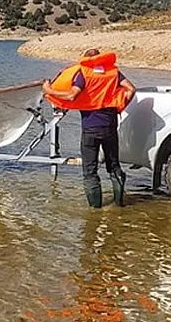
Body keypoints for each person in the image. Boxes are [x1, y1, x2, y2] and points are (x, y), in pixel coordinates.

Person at [41, 49, 136, 208]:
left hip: (90, 128)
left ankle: (95, 210)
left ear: (86, 60)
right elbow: (131, 89)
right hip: (110, 127)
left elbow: (72, 95)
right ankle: (119, 204)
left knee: (90, 172)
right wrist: (120, 107)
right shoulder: (113, 72)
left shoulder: (84, 73)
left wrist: (48, 90)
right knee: (114, 166)